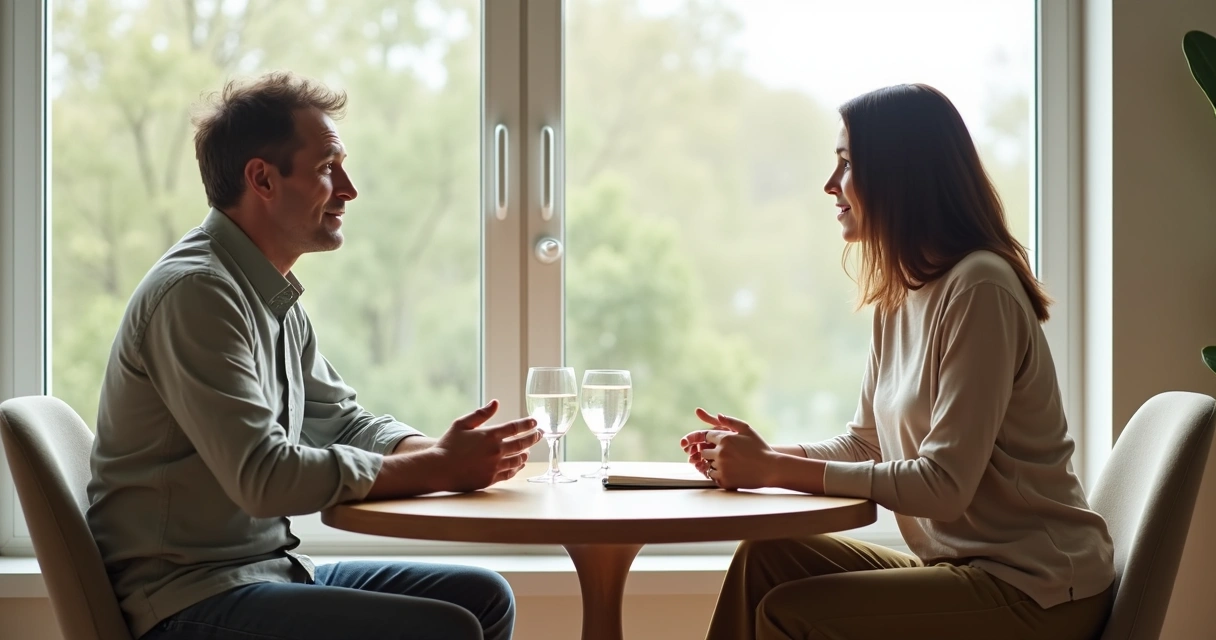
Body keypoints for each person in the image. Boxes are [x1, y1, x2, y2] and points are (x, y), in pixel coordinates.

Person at [86, 71, 542, 640]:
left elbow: (341, 419)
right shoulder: (197, 293)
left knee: (483, 599)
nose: (349, 189)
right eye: (328, 167)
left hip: (266, 573)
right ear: (262, 179)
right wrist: (439, 468)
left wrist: (443, 451)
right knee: (444, 628)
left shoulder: (269, 294)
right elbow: (264, 478)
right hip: (186, 599)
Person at [680, 84, 1115, 640]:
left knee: (793, 614)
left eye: (846, 164)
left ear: (899, 175)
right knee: (763, 559)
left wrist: (774, 471)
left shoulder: (980, 288)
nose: (830, 185)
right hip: (961, 570)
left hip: (1036, 590)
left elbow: (943, 485)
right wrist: (762, 456)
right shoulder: (903, 290)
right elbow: (866, 445)